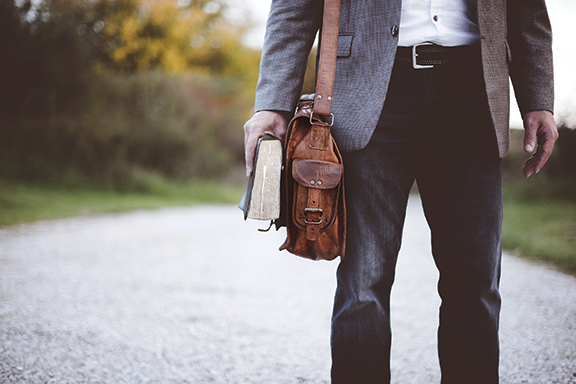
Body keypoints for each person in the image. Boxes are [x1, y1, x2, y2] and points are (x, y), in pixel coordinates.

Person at [243, 0, 558, 382]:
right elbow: (293, 10)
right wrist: (272, 103)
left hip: (474, 93)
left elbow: (527, 10)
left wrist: (538, 97)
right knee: (363, 282)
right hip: (369, 91)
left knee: (475, 283)